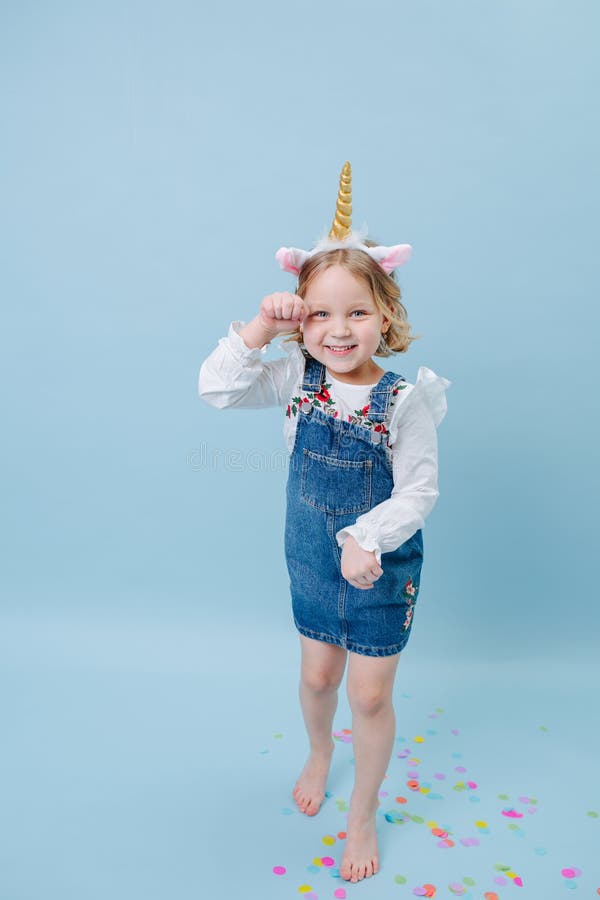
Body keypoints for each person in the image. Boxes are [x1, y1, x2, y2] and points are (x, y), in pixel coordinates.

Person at [198, 162, 451, 884]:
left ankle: (362, 811)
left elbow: (420, 490)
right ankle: (318, 750)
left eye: (358, 313)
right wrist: (260, 325)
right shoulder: (292, 378)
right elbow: (215, 389)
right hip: (311, 558)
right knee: (317, 679)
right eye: (320, 314)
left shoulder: (405, 400)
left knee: (369, 693)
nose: (339, 331)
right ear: (300, 318)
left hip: (379, 566)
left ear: (385, 316)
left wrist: (366, 537)